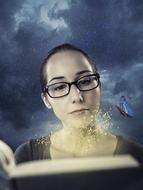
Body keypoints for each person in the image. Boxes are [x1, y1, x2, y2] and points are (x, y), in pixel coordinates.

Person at [15, 43, 143, 164]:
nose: (77, 97)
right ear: (46, 100)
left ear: (99, 87)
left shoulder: (137, 156)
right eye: (59, 87)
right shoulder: (28, 156)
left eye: (86, 81)